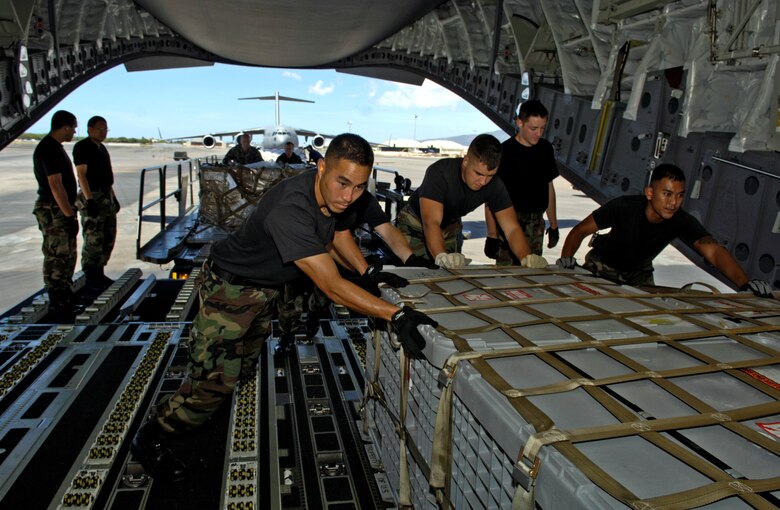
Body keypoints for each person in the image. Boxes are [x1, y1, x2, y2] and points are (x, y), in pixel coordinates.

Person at [130, 133, 437, 482]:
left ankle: (203, 403)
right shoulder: (291, 209)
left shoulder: (326, 195)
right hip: (229, 295)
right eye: (343, 183)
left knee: (243, 366)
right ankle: (152, 434)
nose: (349, 196)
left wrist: (365, 273)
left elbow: (334, 236)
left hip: (264, 291)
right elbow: (333, 287)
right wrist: (394, 315)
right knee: (213, 383)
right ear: (322, 167)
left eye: (358, 187)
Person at [557, 164, 774, 297]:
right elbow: (579, 231)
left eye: (680, 195)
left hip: (638, 277)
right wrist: (566, 260)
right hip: (601, 269)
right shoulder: (624, 206)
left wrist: (745, 284)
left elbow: (713, 251)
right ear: (650, 193)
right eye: (667, 194)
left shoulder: (680, 221)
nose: (674, 202)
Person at [276, 191, 437, 348]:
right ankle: (286, 336)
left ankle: (312, 323)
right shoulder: (318, 196)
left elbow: (386, 228)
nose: (349, 194)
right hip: (300, 251)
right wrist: (362, 268)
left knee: (322, 299)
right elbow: (328, 242)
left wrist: (409, 258)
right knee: (291, 301)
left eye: (359, 186)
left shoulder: (364, 200)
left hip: (334, 252)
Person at [395, 134, 548, 269]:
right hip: (415, 222)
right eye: (478, 174)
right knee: (412, 271)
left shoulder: (495, 184)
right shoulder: (440, 172)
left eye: (490, 176)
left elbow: (512, 228)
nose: (483, 182)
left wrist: (526, 256)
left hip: (449, 226)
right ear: (466, 161)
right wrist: (441, 256)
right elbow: (431, 222)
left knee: (447, 274)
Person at [484, 99, 559, 264]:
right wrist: (492, 235)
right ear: (519, 122)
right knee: (506, 277)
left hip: (537, 224)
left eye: (542, 129)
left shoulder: (545, 149)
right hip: (510, 222)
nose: (538, 134)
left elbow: (549, 187)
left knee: (533, 272)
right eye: (533, 128)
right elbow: (491, 197)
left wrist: (553, 225)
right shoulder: (504, 152)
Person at [32, 110, 82, 314]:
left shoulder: (55, 148)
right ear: (65, 127)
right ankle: (57, 301)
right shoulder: (48, 149)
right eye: (73, 127)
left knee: (67, 255)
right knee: (57, 255)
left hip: (60, 208)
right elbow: (55, 185)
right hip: (53, 209)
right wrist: (69, 214)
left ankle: (65, 297)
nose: (74, 131)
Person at [72, 115, 119, 290]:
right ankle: (91, 277)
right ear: (89, 129)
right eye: (100, 128)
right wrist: (89, 199)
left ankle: (99, 273)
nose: (103, 132)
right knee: (93, 238)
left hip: (106, 196)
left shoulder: (101, 148)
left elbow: (107, 179)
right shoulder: (82, 147)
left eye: (106, 129)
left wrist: (113, 198)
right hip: (93, 196)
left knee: (107, 236)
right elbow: (81, 174)